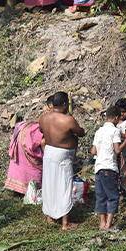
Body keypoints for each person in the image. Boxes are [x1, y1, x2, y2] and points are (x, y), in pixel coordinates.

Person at [38, 91, 85, 230]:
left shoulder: (43, 118)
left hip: (49, 151)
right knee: (64, 186)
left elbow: (42, 130)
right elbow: (80, 133)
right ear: (65, 104)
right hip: (62, 155)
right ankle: (65, 223)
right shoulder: (68, 120)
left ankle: (50, 216)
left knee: (50, 184)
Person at [92, 106, 126, 231]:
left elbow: (93, 151)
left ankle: (102, 224)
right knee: (113, 196)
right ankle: (109, 225)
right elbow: (117, 150)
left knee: (101, 196)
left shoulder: (99, 131)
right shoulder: (114, 131)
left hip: (98, 168)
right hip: (110, 167)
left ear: (105, 117)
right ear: (116, 118)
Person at [4, 120, 45, 195]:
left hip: (24, 136)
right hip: (28, 139)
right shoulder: (44, 127)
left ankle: (18, 189)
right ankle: (33, 190)